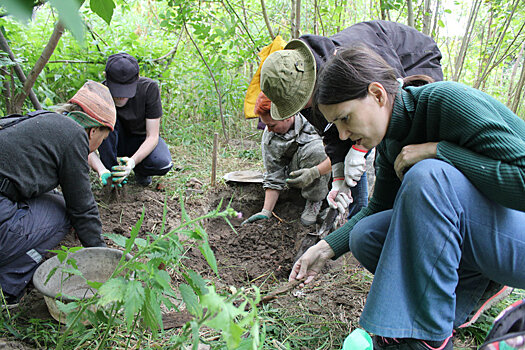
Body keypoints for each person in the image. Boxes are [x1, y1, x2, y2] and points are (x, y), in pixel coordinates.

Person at [289, 46, 525, 349]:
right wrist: (325, 248)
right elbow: (379, 208)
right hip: (483, 238)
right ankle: (450, 307)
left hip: (515, 238)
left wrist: (439, 151)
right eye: (335, 126)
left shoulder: (448, 102)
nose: (344, 135)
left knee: (428, 177)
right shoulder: (390, 140)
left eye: (345, 119)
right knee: (366, 235)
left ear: (377, 94)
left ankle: (426, 338)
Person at [259, 20, 443, 220]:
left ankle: (405, 218)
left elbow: (390, 99)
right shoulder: (301, 92)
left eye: (303, 101)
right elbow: (331, 132)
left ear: (311, 82)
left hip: (412, 59)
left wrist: (359, 150)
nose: (304, 108)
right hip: (380, 95)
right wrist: (338, 180)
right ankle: (362, 219)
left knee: (400, 149)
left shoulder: (354, 56)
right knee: (359, 159)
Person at [0, 81, 116, 305]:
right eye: (103, 138)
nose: (100, 145)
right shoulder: (74, 137)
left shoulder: (44, 120)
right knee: (63, 213)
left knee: (54, 200)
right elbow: (82, 208)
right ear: (93, 130)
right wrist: (102, 257)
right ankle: (8, 287)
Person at [242, 92, 330, 226]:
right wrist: (266, 211)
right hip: (297, 176)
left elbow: (338, 151)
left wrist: (315, 172)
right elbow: (274, 173)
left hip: (330, 167)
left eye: (272, 125)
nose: (269, 130)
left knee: (316, 150)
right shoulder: (270, 138)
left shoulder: (314, 118)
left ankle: (315, 201)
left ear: (287, 117)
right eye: (266, 125)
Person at [89, 52, 173, 187]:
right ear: (106, 77)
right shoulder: (97, 94)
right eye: (117, 90)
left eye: (126, 90)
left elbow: (153, 136)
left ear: (137, 78)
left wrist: (132, 163)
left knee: (162, 163)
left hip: (140, 141)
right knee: (108, 119)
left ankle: (139, 170)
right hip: (111, 141)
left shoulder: (148, 89)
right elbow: (82, 144)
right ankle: (112, 174)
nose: (121, 97)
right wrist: (101, 169)